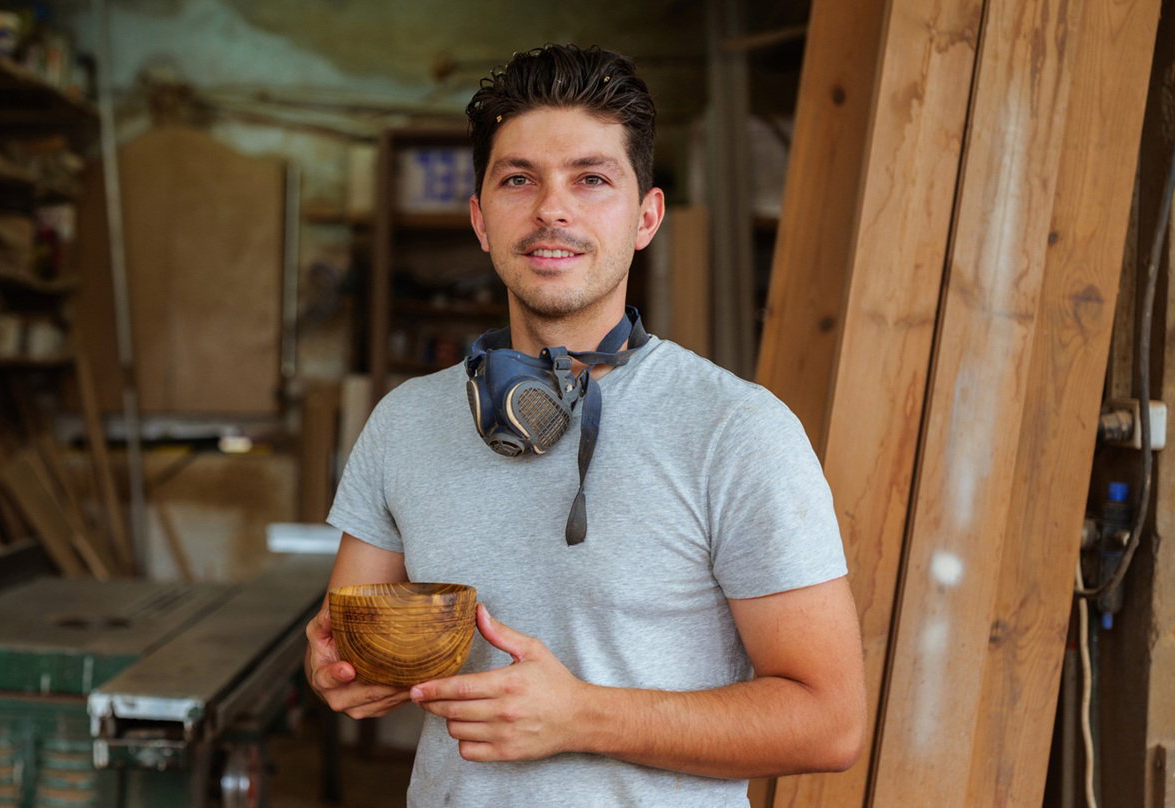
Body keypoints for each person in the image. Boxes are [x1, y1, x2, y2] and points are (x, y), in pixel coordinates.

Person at [305, 43, 865, 807]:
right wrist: (335, 668)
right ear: (479, 219)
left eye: (591, 179)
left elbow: (830, 723)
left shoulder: (737, 431)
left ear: (646, 218)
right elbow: (344, 634)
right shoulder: (405, 421)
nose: (551, 210)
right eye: (518, 179)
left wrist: (582, 718)